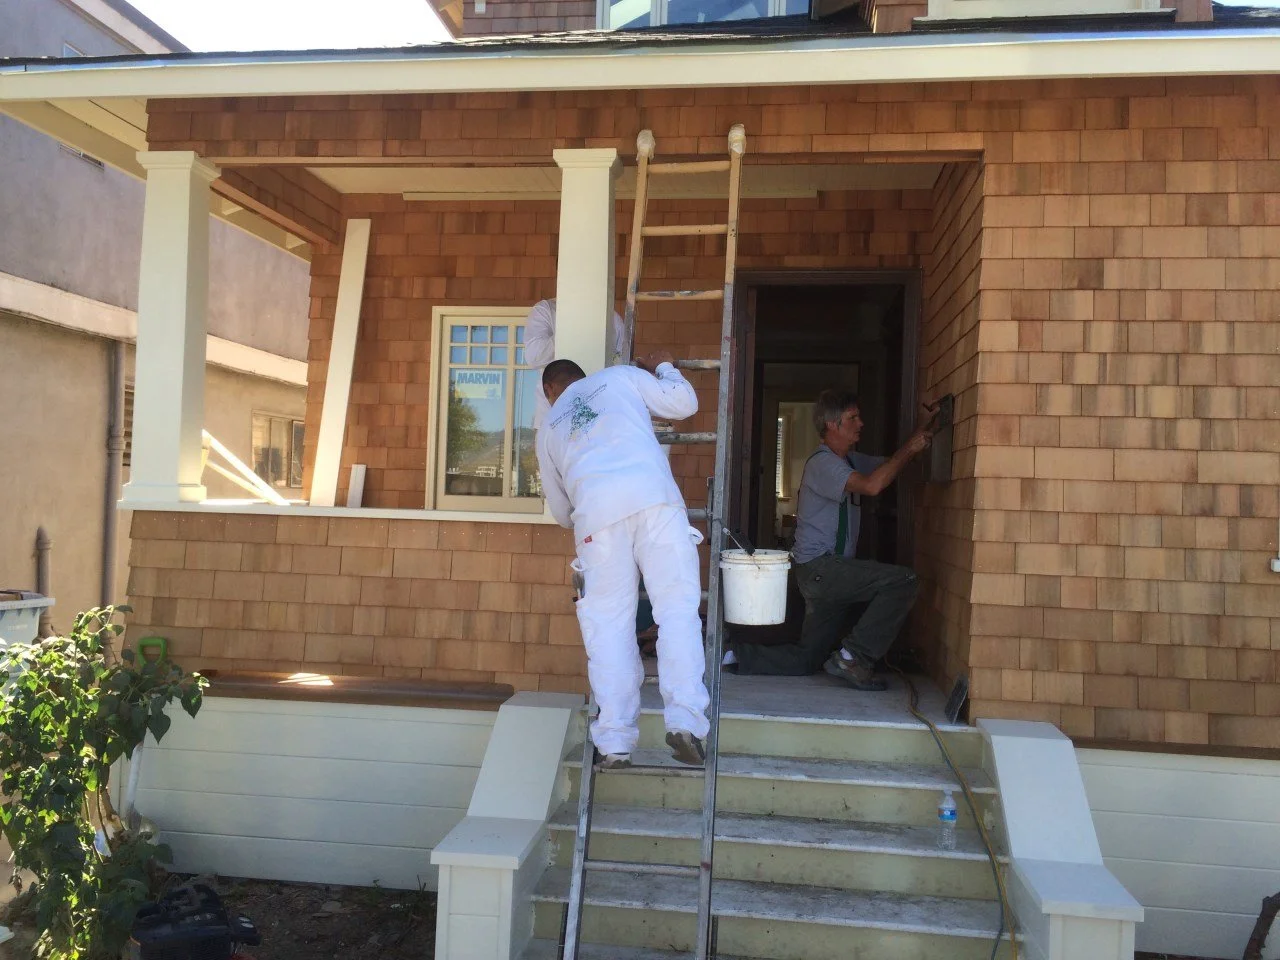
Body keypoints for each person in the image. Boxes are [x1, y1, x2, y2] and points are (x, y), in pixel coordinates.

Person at [536, 352, 710, 769]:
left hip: (596, 521)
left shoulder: (547, 429)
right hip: (655, 502)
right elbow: (684, 404)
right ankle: (685, 723)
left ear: (549, 391)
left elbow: (562, 514)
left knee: (609, 629)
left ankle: (614, 741)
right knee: (677, 613)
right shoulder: (619, 378)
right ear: (584, 375)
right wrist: (664, 367)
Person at [732, 390, 933, 691]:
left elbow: (892, 465)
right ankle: (855, 657)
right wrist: (911, 448)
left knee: (806, 660)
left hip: (825, 571)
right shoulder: (823, 464)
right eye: (852, 418)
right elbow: (873, 485)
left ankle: (731, 656)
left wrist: (923, 429)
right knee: (903, 580)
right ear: (832, 425)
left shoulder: (851, 460)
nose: (861, 424)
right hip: (821, 570)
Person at [523, 298, 627, 430]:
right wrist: (574, 329)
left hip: (597, 419)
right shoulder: (546, 310)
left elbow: (622, 364)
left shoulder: (611, 318)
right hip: (551, 419)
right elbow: (534, 357)